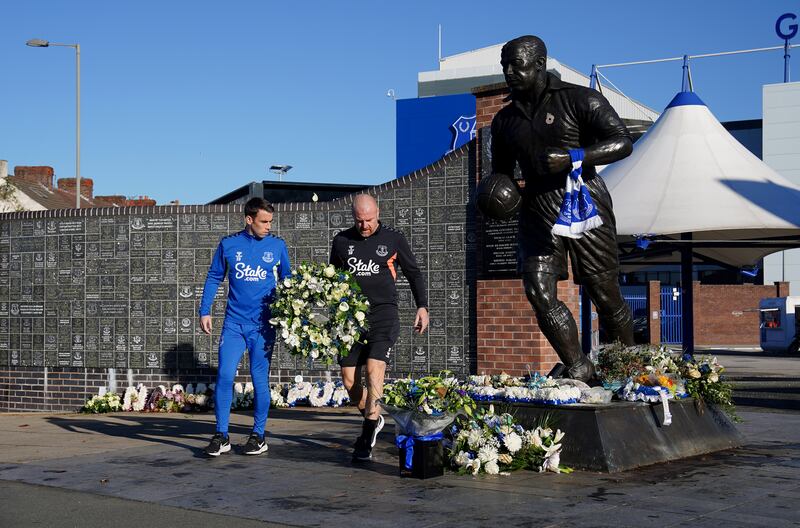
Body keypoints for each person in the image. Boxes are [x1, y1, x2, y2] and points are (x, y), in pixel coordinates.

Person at [489, 35, 635, 382]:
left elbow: (623, 141)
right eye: (505, 66)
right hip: (538, 207)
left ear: (539, 64)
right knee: (537, 290)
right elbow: (502, 172)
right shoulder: (504, 120)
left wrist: (574, 157)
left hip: (583, 200)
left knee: (604, 292)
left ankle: (629, 367)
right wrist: (495, 194)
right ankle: (579, 365)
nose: (509, 72)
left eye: (517, 65)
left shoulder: (579, 98)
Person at [329, 194, 429, 461]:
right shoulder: (341, 241)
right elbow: (333, 278)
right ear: (353, 217)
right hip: (350, 318)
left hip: (384, 313)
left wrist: (422, 306)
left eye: (369, 220)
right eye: (359, 221)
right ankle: (373, 417)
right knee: (350, 381)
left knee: (375, 367)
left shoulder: (393, 239)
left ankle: (368, 429)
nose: (365, 226)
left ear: (378, 213)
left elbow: (413, 272)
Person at [198, 197, 291, 456]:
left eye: (271, 221)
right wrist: (204, 310)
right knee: (225, 376)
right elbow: (215, 276)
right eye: (264, 222)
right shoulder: (229, 244)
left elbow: (288, 281)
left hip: (263, 326)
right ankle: (221, 435)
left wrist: (291, 316)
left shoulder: (278, 245)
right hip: (234, 325)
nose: (268, 226)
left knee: (259, 379)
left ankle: (258, 436)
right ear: (249, 220)